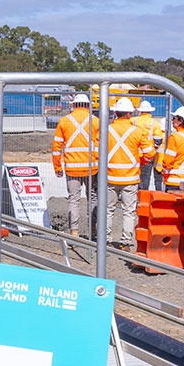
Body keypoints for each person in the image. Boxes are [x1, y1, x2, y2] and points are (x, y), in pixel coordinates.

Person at [52, 91, 98, 237]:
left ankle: (74, 231)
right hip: (92, 168)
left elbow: (56, 147)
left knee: (74, 200)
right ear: (88, 106)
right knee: (93, 198)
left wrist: (58, 167)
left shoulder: (65, 121)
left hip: (72, 168)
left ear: (74, 105)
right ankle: (93, 228)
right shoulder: (96, 121)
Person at [103, 98, 148, 251]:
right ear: (130, 113)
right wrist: (140, 163)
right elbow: (149, 152)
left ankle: (106, 241)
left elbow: (96, 151)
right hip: (130, 177)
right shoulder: (137, 131)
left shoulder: (106, 130)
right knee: (129, 211)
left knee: (108, 210)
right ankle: (126, 242)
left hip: (110, 177)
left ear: (115, 112)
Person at [160, 106, 184, 190]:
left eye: (174, 118)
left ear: (181, 121)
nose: (172, 120)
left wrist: (164, 173)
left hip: (175, 181)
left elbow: (167, 162)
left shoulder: (175, 137)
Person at [134, 100, 158, 191]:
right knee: (146, 176)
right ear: (150, 111)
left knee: (135, 175)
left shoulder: (134, 120)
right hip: (148, 153)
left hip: (135, 153)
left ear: (140, 111)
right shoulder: (154, 123)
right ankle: (143, 196)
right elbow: (158, 139)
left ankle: (135, 194)